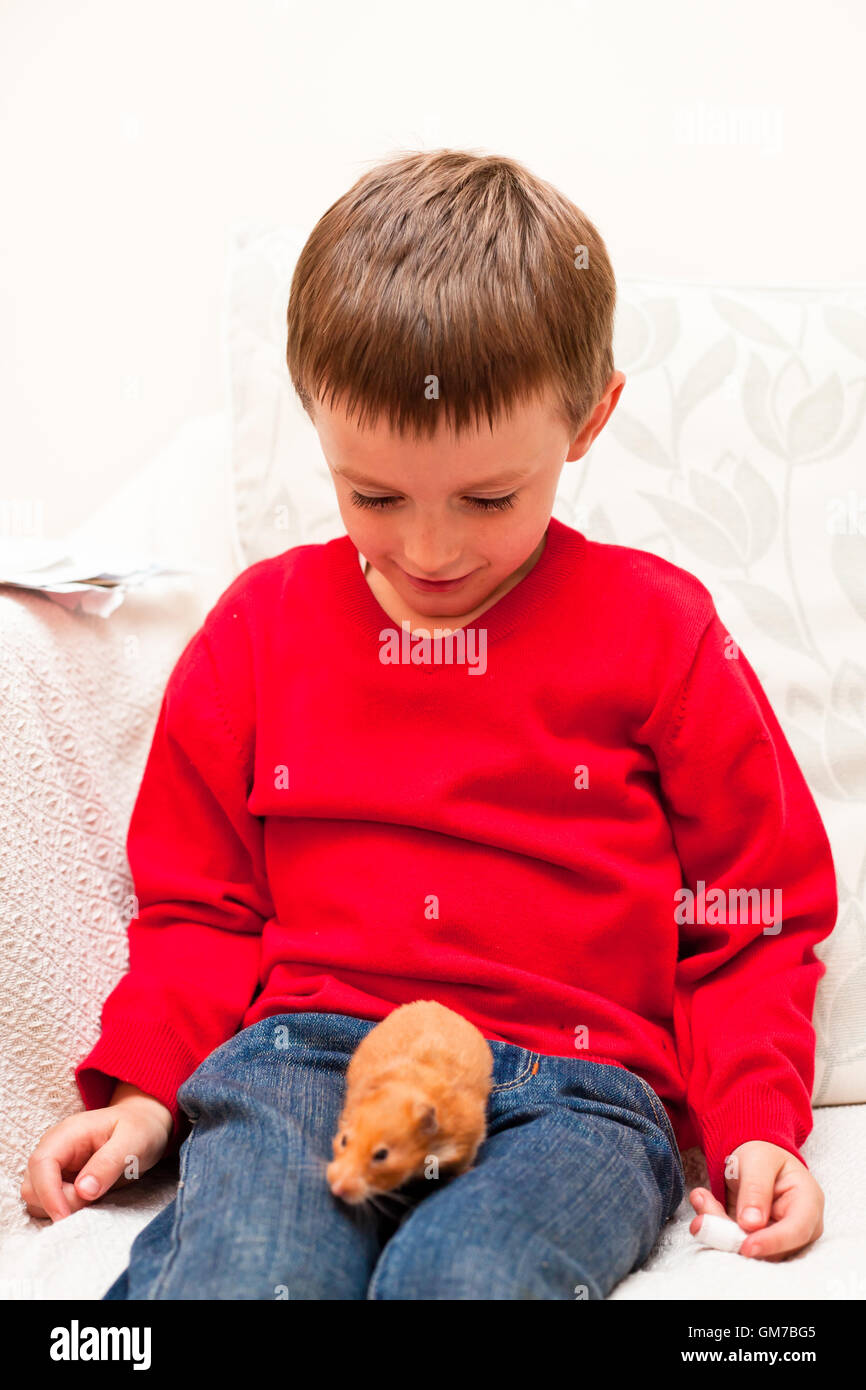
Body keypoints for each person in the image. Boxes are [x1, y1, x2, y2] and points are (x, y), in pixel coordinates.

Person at [21, 148, 833, 1299]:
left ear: (589, 418)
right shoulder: (258, 630)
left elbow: (752, 914)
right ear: (315, 426)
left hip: (579, 1088)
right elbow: (200, 905)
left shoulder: (664, 632)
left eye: (488, 498)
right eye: (375, 495)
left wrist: (755, 1122)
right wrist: (148, 1088)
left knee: (468, 1276)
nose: (431, 551)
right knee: (251, 1270)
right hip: (306, 1053)